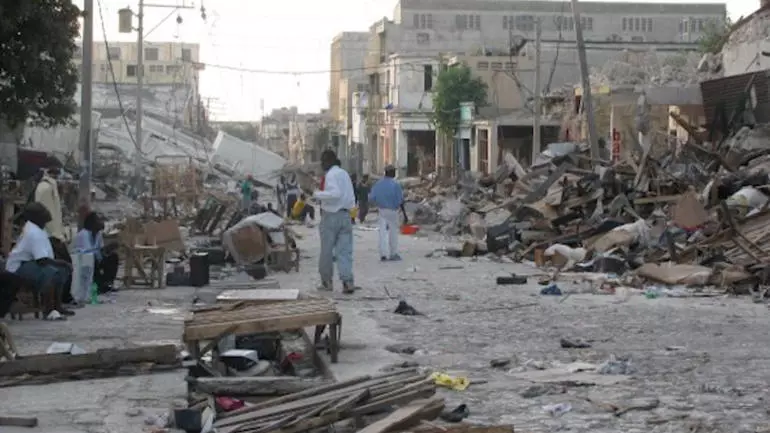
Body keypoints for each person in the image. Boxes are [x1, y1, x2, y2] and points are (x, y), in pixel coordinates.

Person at [6, 202, 73, 318]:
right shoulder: (33, 232)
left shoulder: (38, 228)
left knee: (62, 271)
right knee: (50, 273)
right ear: (36, 217)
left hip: (30, 262)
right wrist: (63, 263)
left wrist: (62, 265)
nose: (46, 214)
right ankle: (49, 310)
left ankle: (57, 306)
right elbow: (42, 261)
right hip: (18, 267)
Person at [313, 150, 357, 294]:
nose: (322, 165)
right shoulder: (344, 174)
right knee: (345, 251)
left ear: (328, 161)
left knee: (326, 251)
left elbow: (335, 194)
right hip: (346, 216)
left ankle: (327, 282)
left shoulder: (331, 175)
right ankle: (347, 281)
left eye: (323, 162)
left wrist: (316, 194)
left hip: (331, 216)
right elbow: (351, 197)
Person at [34, 156, 73, 305]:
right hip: (51, 235)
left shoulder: (50, 186)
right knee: (64, 265)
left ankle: (62, 299)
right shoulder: (46, 187)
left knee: (63, 266)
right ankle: (62, 299)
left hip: (53, 234)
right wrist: (56, 235)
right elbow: (48, 214)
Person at [76, 212, 119, 295]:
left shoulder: (98, 234)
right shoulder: (83, 234)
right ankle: (98, 285)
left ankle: (107, 283)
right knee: (93, 258)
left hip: (96, 258)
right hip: (83, 261)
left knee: (113, 257)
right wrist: (104, 249)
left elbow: (100, 250)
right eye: (98, 220)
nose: (101, 222)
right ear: (91, 223)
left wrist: (108, 249)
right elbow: (86, 252)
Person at [369, 165, 405, 261]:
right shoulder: (396, 184)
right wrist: (404, 214)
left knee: (382, 232)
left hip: (382, 210)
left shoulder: (378, 184)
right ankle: (393, 253)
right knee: (393, 232)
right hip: (393, 211)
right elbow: (401, 200)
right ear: (392, 172)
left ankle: (383, 254)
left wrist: (378, 203)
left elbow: (371, 198)